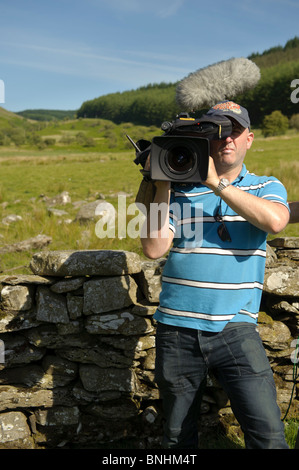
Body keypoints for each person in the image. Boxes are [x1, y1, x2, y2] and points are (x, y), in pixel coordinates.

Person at [140, 101, 290, 449]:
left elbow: (276, 220)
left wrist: (215, 182)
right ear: (203, 141)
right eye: (216, 132)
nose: (225, 139)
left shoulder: (264, 186)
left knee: (268, 435)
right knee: (177, 437)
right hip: (176, 329)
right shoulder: (180, 192)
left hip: (236, 329)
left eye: (234, 130)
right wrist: (162, 184)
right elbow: (153, 248)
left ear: (249, 139)